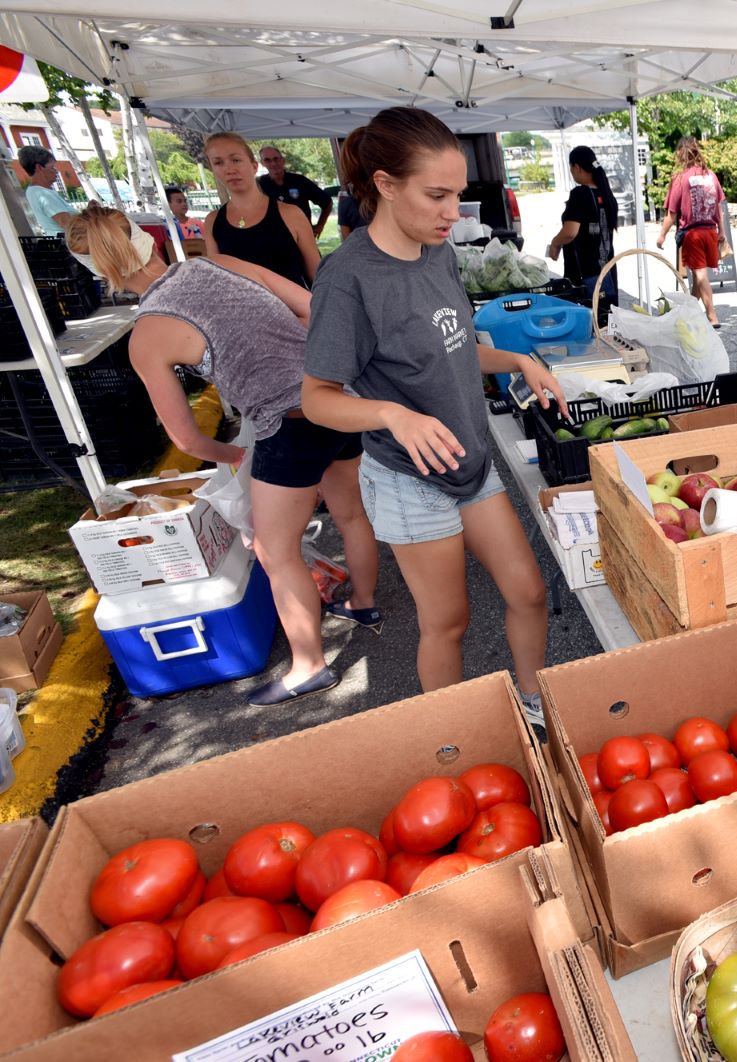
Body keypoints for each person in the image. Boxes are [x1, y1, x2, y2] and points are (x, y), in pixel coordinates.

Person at [300, 106, 568, 730]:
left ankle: (533, 704)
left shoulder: (437, 252)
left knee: (528, 591)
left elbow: (455, 349)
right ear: (386, 185)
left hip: (470, 461)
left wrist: (519, 359)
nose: (455, 213)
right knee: (448, 622)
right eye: (438, 195)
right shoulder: (348, 281)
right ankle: (452, 742)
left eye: (459, 195)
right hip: (408, 476)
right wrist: (393, 414)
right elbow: (317, 397)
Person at [65, 203, 381, 707]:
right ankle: (363, 604)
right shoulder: (214, 263)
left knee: (274, 551)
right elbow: (310, 305)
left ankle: (308, 668)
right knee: (350, 512)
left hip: (288, 423)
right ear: (145, 239)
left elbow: (188, 441)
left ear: (100, 271)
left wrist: (236, 454)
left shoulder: (147, 337)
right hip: (337, 394)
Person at [202, 132, 320, 288]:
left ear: (254, 166)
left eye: (236, 160)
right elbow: (218, 281)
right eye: (218, 163)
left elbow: (318, 278)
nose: (229, 169)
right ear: (212, 169)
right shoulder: (213, 221)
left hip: (296, 311)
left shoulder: (291, 214)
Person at [656, 137, 727, 327]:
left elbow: (671, 214)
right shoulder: (710, 175)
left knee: (701, 274)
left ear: (680, 153)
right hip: (710, 231)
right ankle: (688, 312)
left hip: (692, 234)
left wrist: (662, 235)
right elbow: (719, 207)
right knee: (697, 277)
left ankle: (712, 316)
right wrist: (721, 230)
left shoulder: (680, 179)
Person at [546, 146, 617, 311]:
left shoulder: (580, 194)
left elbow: (570, 232)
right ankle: (614, 336)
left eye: (571, 169)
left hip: (586, 273)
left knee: (588, 323)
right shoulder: (606, 194)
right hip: (608, 271)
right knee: (610, 318)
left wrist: (555, 243)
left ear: (576, 167)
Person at [258, 145, 334, 239]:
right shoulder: (258, 186)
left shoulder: (300, 181)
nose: (273, 163)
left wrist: (320, 226)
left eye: (276, 158)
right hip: (275, 242)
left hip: (304, 239)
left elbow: (327, 202)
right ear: (262, 163)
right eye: (267, 160)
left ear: (283, 160)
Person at [18, 146, 76, 237]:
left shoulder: (34, 191)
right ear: (39, 167)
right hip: (69, 245)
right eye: (52, 167)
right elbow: (69, 225)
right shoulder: (42, 194)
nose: (56, 171)